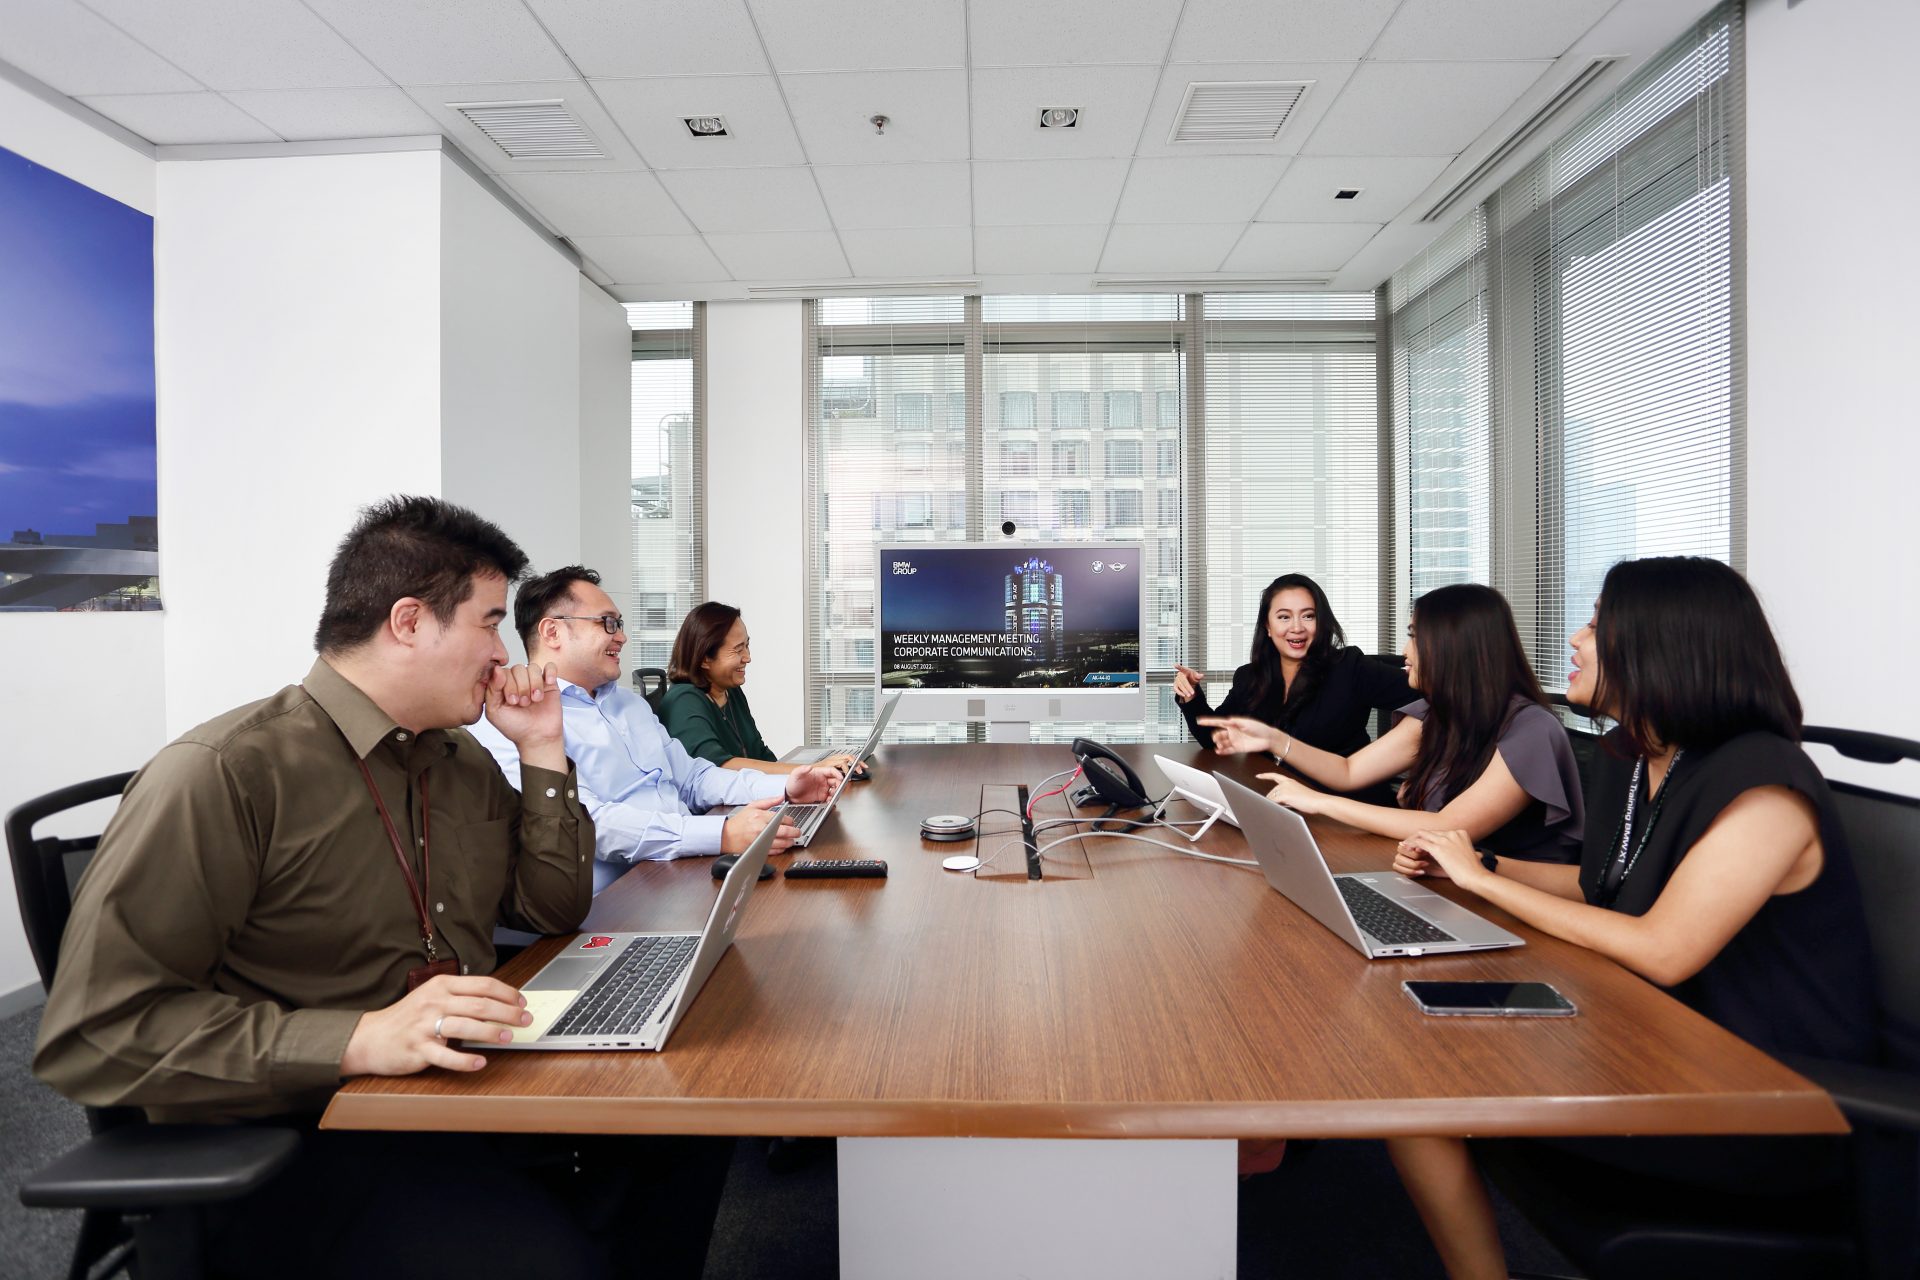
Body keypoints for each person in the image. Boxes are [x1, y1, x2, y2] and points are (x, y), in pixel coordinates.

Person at [32, 496, 728, 1277]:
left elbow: (550, 907)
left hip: (457, 1093)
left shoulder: (458, 761)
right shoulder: (227, 773)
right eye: (490, 621)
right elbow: (95, 1031)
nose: (505, 653)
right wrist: (356, 1038)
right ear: (408, 622)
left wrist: (542, 751)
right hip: (313, 1130)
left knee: (693, 1125)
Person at [1384, 557, 1880, 1280]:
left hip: (1761, 1100)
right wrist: (1479, 867)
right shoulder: (1637, 755)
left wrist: (1477, 878)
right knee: (1414, 1051)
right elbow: (1606, 887)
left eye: (1595, 622)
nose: (1577, 638)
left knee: (1419, 1089)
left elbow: (1663, 947)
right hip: (1650, 1039)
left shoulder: (1765, 788)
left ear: (1660, 644)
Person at [468, 567, 841, 893]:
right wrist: (721, 834)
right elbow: (593, 824)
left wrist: (785, 787)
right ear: (552, 632)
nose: (621, 637)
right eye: (608, 623)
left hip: (681, 870)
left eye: (621, 625)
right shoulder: (513, 719)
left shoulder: (629, 705)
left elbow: (694, 778)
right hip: (614, 902)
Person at [1204, 582, 1582, 861]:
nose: (1404, 651)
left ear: (1452, 647)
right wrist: (1274, 739)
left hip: (1512, 905)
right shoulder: (1435, 716)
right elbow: (1350, 771)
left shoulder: (1532, 729)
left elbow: (1448, 826)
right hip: (1441, 877)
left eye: (1414, 637)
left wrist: (1318, 801)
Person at [1175, 573, 1413, 757]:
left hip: (1340, 804)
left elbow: (1432, 694)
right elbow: (1213, 738)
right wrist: (1191, 695)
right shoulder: (1250, 677)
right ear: (1267, 627)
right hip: (1273, 801)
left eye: (1308, 616)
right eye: (1284, 617)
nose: (1297, 627)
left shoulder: (1351, 668)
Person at [659, 600, 863, 776]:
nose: (748, 657)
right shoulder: (683, 701)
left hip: (747, 800)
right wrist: (811, 769)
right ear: (705, 658)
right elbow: (719, 767)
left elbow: (759, 752)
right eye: (738, 649)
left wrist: (809, 777)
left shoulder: (731, 691)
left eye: (747, 646)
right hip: (714, 816)